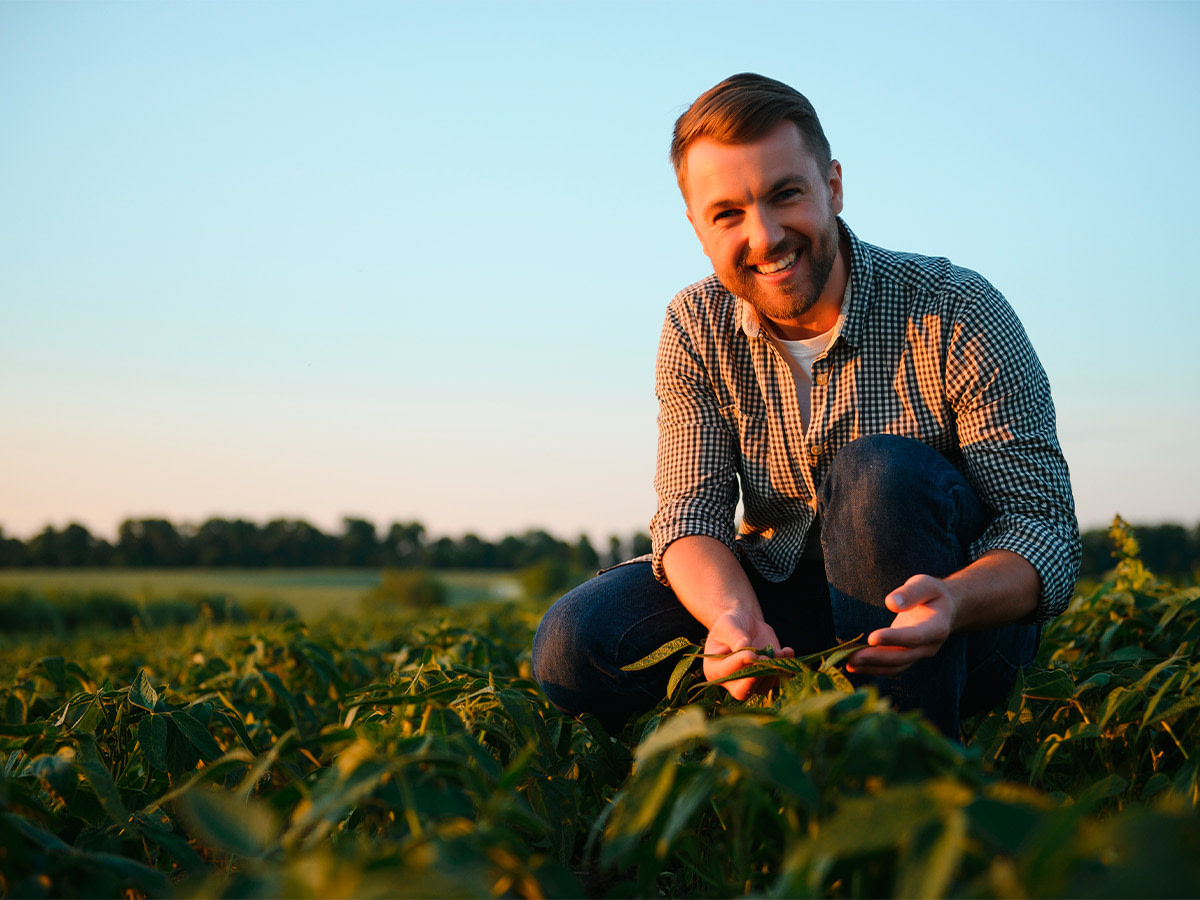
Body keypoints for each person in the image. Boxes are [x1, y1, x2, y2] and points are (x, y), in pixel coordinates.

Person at [532, 73, 1080, 739]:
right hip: (785, 592)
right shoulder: (694, 325)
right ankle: (756, 722)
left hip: (953, 620)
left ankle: (904, 773)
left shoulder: (955, 308)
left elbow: (1041, 526)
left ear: (834, 187)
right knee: (577, 641)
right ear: (696, 226)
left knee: (879, 474)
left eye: (785, 194)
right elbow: (689, 515)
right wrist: (732, 618)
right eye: (728, 213)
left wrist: (955, 601)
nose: (763, 237)